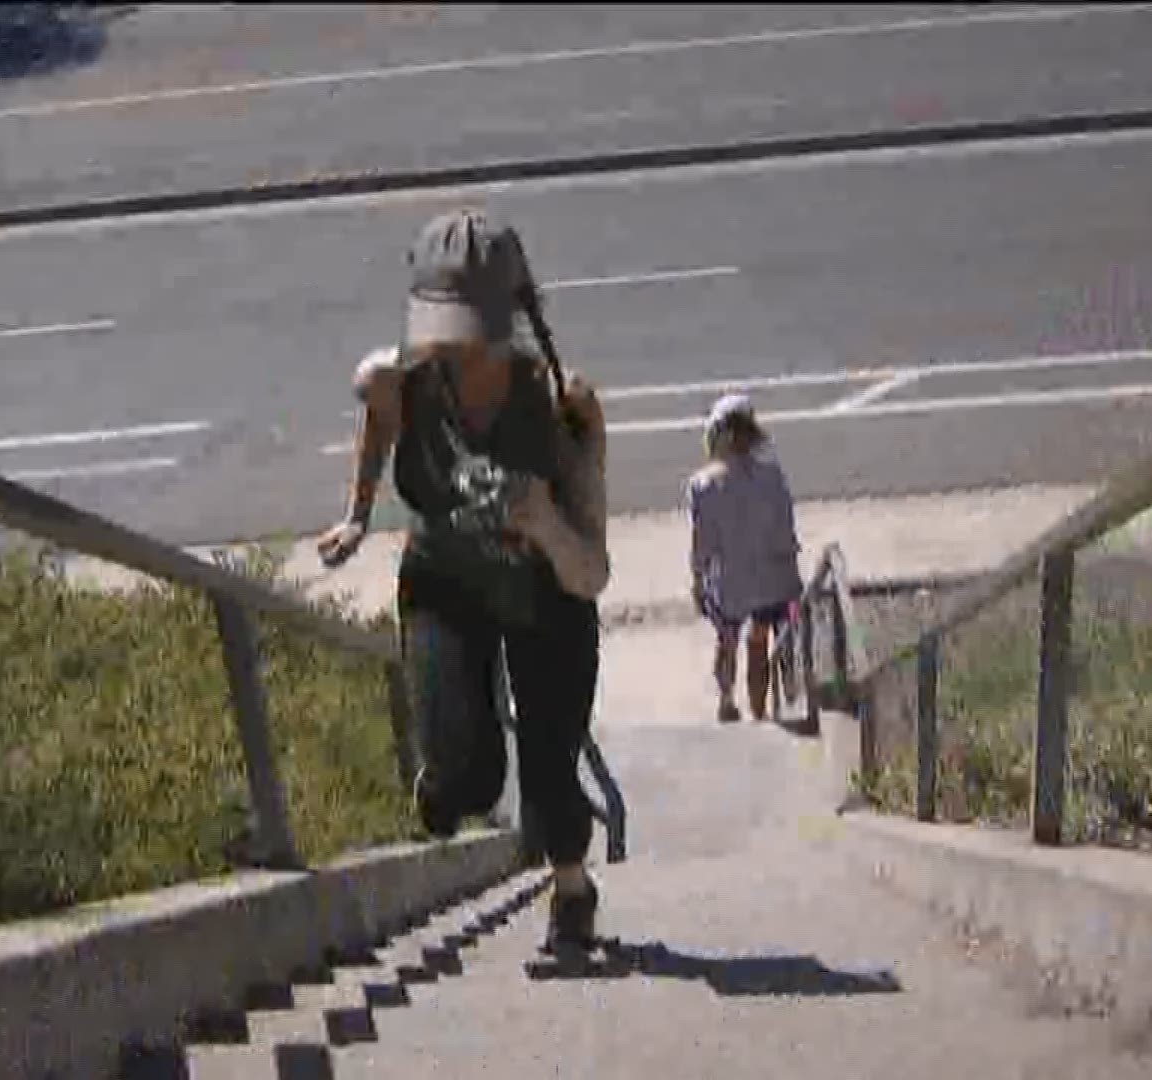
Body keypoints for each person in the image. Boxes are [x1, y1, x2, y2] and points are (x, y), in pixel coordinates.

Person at [315, 207, 611, 954]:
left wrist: (544, 522)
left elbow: (592, 572)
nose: (456, 347)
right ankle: (442, 778)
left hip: (549, 600)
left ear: (510, 314)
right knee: (470, 783)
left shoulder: (562, 404)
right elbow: (378, 425)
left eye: (471, 326)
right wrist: (356, 514)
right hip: (446, 587)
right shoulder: (399, 382)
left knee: (549, 774)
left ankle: (572, 893)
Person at [682, 393, 804, 723]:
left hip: (730, 583)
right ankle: (760, 710)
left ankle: (726, 700)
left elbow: (702, 546)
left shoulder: (702, 486)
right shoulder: (772, 475)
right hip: (772, 578)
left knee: (727, 638)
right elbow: (785, 529)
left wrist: (697, 580)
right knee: (760, 637)